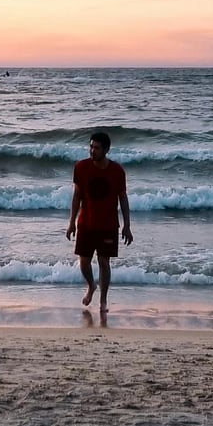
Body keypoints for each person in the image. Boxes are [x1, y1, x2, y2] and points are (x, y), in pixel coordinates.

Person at [67, 131, 132, 311]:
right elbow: (77, 196)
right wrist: (71, 222)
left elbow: (123, 198)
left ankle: (103, 301)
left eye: (96, 148)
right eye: (90, 146)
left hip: (108, 225)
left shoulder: (117, 171)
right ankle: (91, 285)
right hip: (86, 224)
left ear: (106, 150)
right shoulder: (81, 167)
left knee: (104, 262)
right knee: (84, 262)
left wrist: (127, 226)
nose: (92, 151)